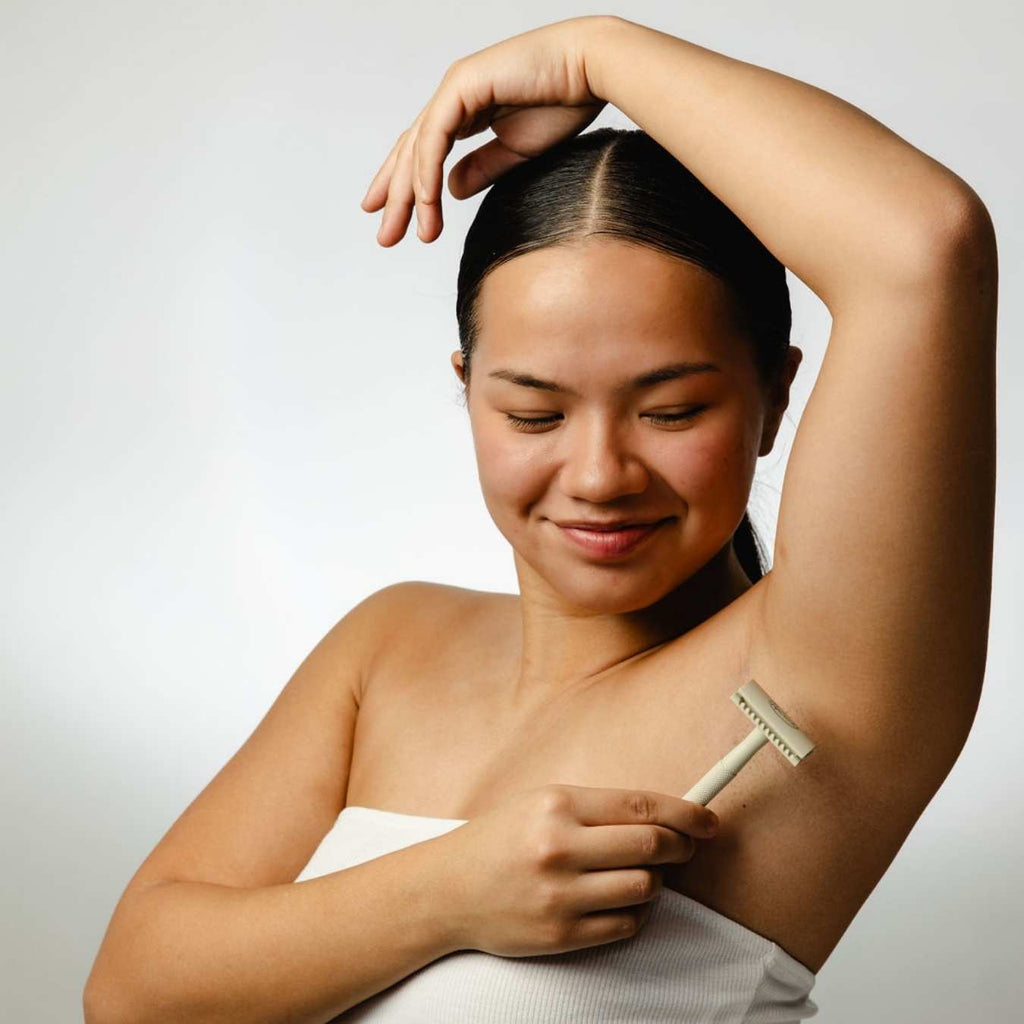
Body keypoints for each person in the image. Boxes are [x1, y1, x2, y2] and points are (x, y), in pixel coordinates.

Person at [83, 14, 997, 1024]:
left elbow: (923, 244)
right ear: (466, 389)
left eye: (672, 409)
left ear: (773, 397)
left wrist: (591, 53)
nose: (599, 474)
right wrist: (448, 892)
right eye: (534, 410)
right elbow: (131, 994)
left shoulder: (815, 674)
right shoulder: (389, 648)